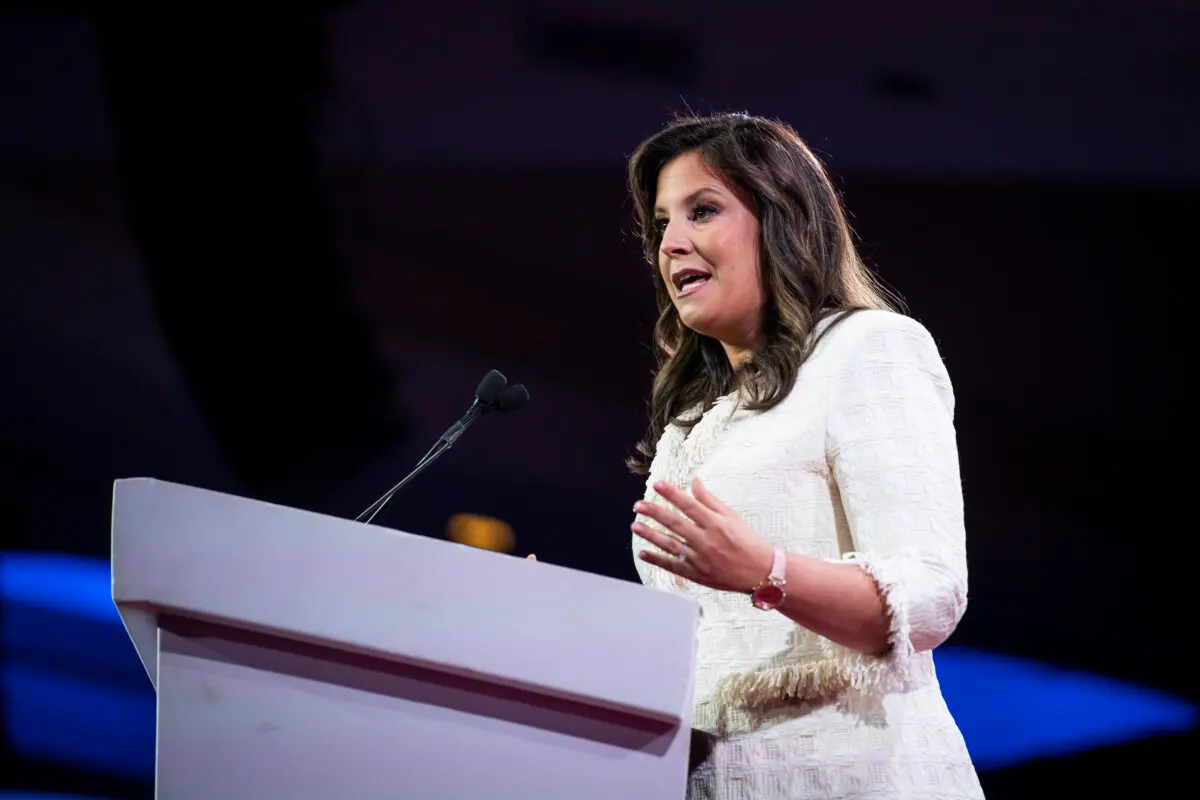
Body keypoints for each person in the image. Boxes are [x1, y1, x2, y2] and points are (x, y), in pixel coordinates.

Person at [624, 112, 985, 799]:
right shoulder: (694, 421)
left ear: (782, 219)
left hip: (858, 772)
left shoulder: (868, 349)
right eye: (660, 225)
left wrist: (767, 571)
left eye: (702, 210)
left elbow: (933, 592)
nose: (671, 244)